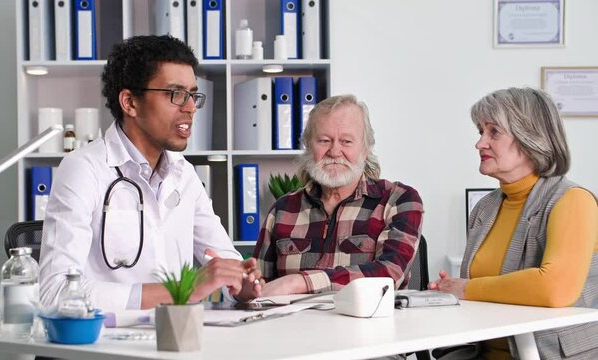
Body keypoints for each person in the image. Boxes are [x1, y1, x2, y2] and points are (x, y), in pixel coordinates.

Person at [39, 35, 261, 312]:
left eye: (193, 95)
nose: (190, 107)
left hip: (177, 338)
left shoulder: (184, 174)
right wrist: (181, 291)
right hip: (108, 345)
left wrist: (241, 284)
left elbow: (223, 258)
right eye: (176, 94)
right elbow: (55, 292)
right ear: (130, 102)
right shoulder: (84, 169)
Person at [429, 87, 598, 359]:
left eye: (493, 132)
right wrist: (448, 293)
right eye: (480, 132)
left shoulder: (573, 200)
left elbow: (555, 288)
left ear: (530, 137)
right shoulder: (485, 207)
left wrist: (466, 289)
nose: (480, 143)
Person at [254, 95, 424, 296]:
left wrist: (300, 283)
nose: (334, 151)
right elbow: (260, 286)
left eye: (346, 141)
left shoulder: (399, 200)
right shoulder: (283, 209)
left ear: (366, 148)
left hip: (370, 326)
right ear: (309, 146)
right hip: (296, 327)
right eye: (324, 140)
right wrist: (247, 288)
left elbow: (389, 275)